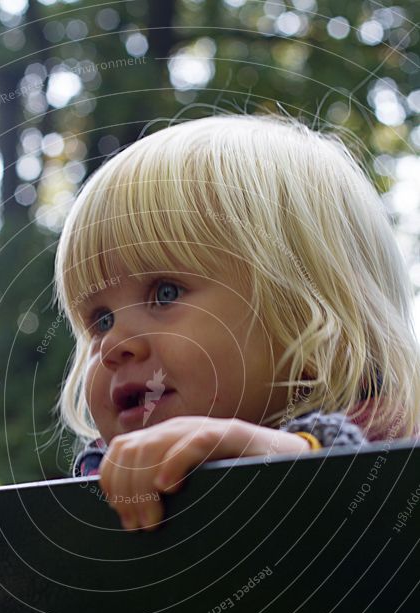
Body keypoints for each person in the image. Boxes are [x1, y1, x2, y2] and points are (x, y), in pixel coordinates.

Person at [52, 113, 420, 531]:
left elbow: (365, 501)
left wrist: (271, 453)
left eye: (165, 294)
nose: (114, 342)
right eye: (100, 320)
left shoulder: (387, 437)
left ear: (310, 328)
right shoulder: (97, 480)